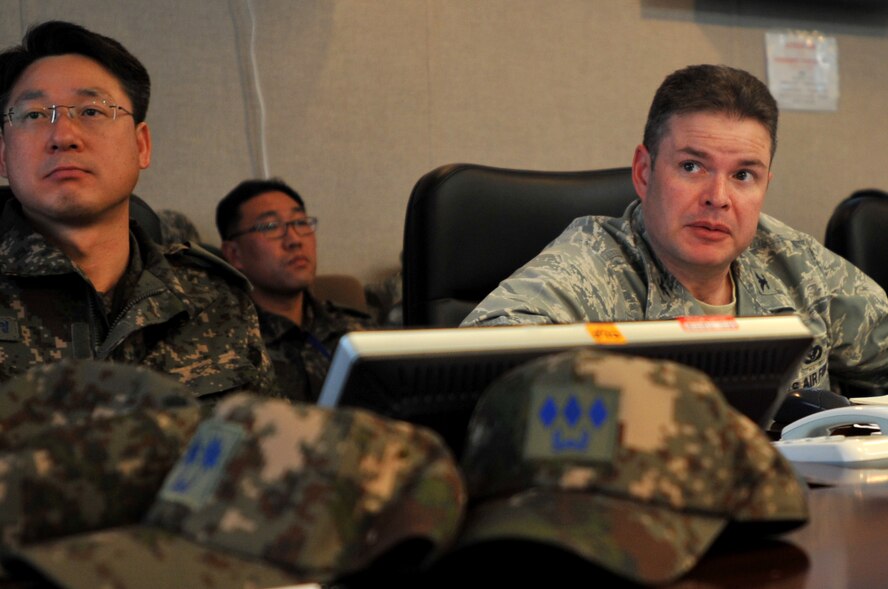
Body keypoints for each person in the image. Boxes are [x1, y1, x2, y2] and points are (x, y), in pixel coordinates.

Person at [462, 64, 888, 394]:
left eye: (743, 175)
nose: (717, 196)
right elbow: (476, 362)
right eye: (692, 166)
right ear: (644, 172)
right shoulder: (596, 262)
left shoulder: (793, 262)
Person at [0, 21, 278, 400]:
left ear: (141, 145)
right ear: (2, 157)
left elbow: (258, 448)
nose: (63, 136)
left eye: (92, 111)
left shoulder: (214, 299)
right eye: (33, 115)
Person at [216, 178, 376, 402]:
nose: (294, 240)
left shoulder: (357, 334)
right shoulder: (220, 348)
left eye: (301, 223)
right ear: (234, 254)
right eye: (270, 226)